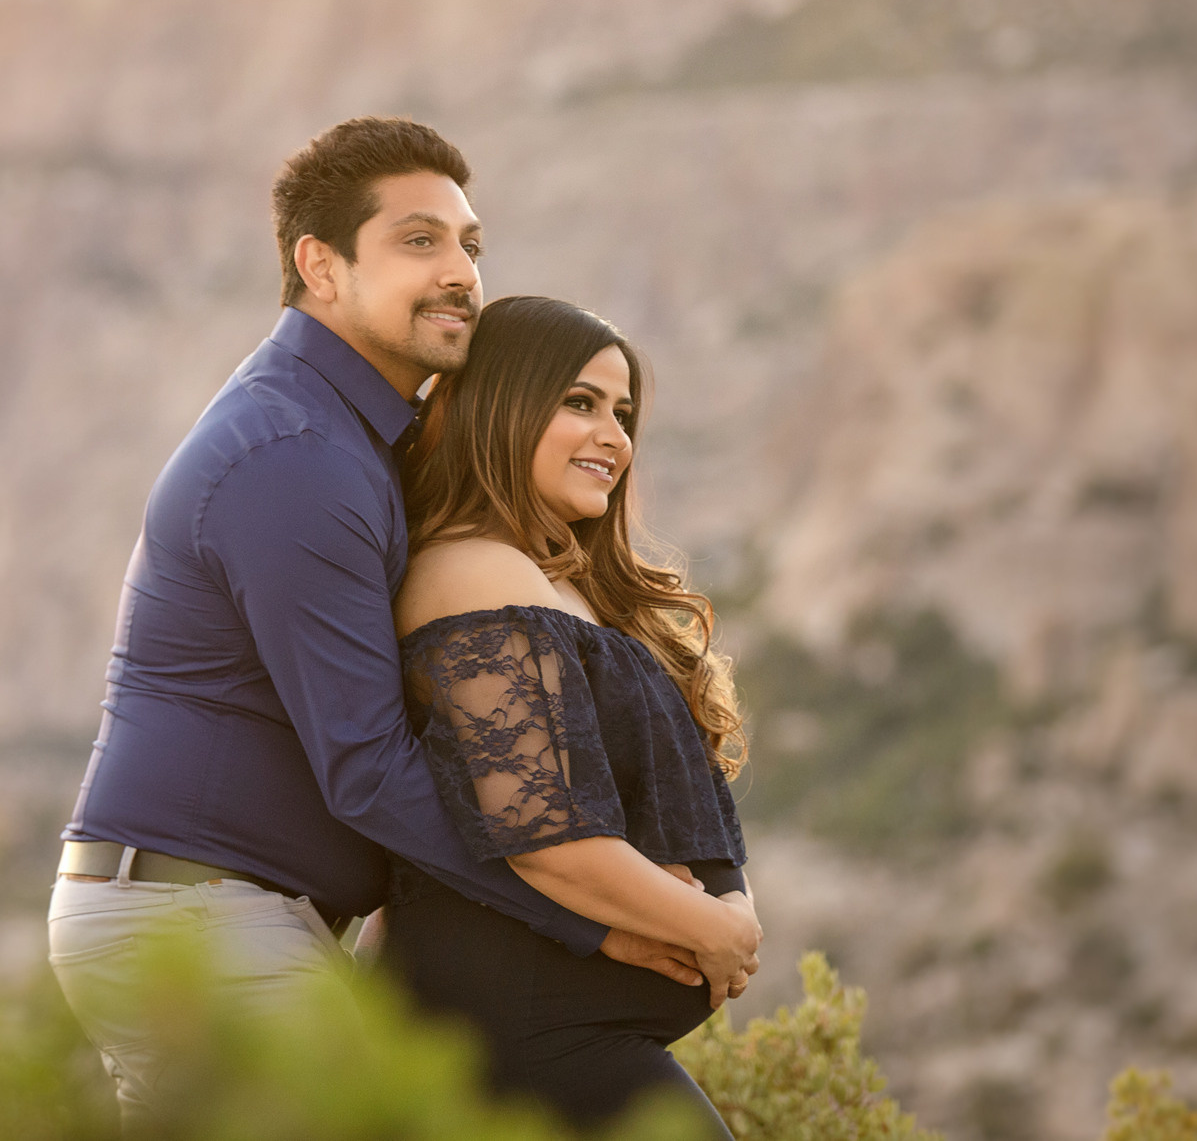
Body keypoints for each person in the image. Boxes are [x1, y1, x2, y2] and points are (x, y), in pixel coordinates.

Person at [45, 117, 753, 1120]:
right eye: (420, 240)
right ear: (320, 267)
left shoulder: (353, 445)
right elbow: (367, 767)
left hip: (232, 915)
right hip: (192, 918)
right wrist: (596, 924)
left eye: (469, 243)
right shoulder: (292, 456)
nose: (460, 270)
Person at [382, 293, 756, 1138]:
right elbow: (545, 830)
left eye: (623, 414)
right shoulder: (470, 574)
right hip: (514, 1034)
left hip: (568, 1034)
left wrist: (738, 908)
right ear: (503, 405)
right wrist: (716, 928)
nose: (614, 436)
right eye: (580, 403)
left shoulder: (560, 583)